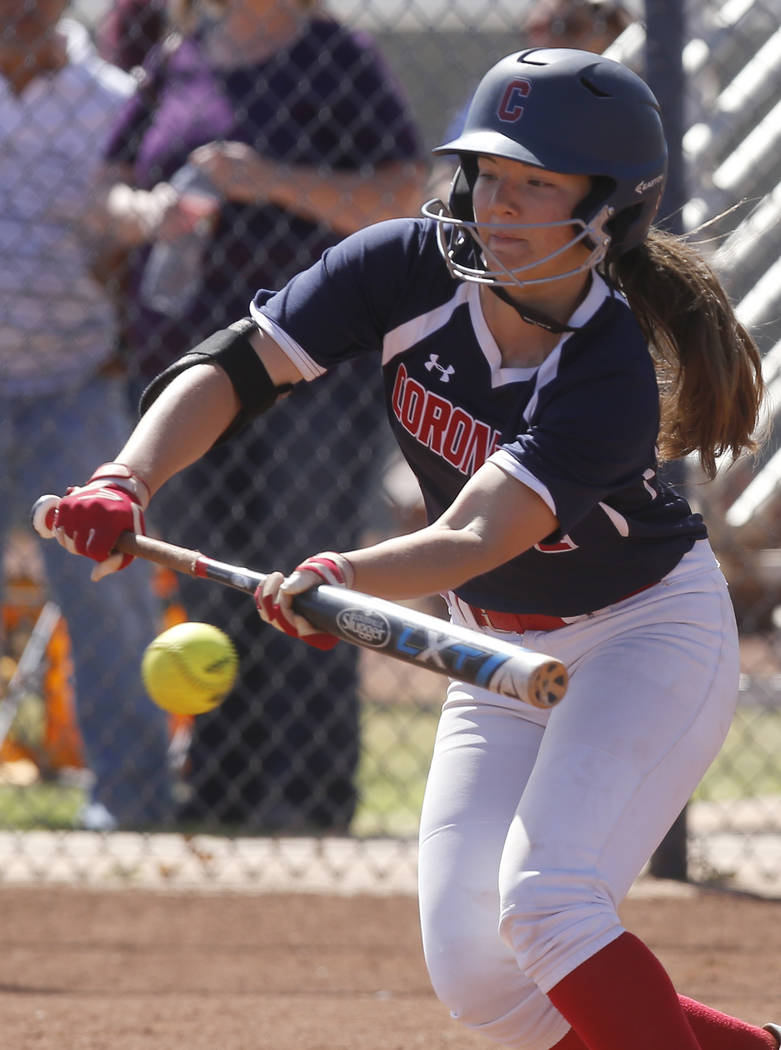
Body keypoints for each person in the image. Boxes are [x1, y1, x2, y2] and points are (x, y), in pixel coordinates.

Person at [40, 46, 775, 1049]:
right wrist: (125, 479)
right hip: (494, 654)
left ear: (609, 215)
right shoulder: (407, 265)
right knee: (482, 977)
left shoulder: (605, 373)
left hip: (641, 639)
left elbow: (473, 534)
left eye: (536, 187)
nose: (496, 208)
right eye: (487, 176)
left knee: (549, 903)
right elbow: (232, 368)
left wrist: (342, 579)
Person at [94, 0, 425, 829]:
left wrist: (267, 178)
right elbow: (106, 189)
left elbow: (400, 201)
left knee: (304, 570)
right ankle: (223, 794)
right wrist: (147, 213)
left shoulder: (336, 56)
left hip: (311, 371)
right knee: (207, 578)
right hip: (185, 363)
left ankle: (310, 804)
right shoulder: (183, 57)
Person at [1, 0, 174, 830]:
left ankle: (130, 802)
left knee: (105, 593)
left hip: (76, 377)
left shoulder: (114, 100)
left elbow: (137, 242)